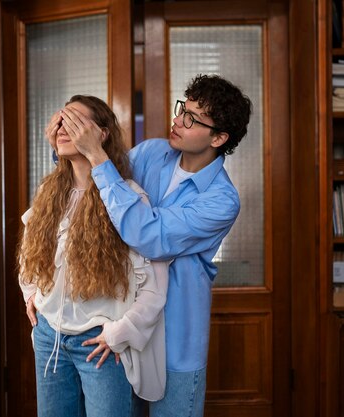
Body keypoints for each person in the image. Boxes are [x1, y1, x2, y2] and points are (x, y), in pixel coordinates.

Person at [57, 75, 252, 417]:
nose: (178, 121)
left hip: (176, 339)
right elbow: (95, 191)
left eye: (192, 119)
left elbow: (148, 236)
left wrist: (97, 155)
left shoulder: (222, 201)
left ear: (219, 138)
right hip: (122, 325)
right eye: (182, 109)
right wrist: (68, 141)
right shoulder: (151, 153)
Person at [18, 95, 169, 417]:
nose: (62, 127)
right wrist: (31, 292)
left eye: (74, 121)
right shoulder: (49, 194)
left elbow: (155, 284)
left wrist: (120, 333)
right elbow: (29, 254)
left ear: (101, 134)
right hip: (49, 338)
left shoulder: (127, 197)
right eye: (60, 120)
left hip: (99, 344)